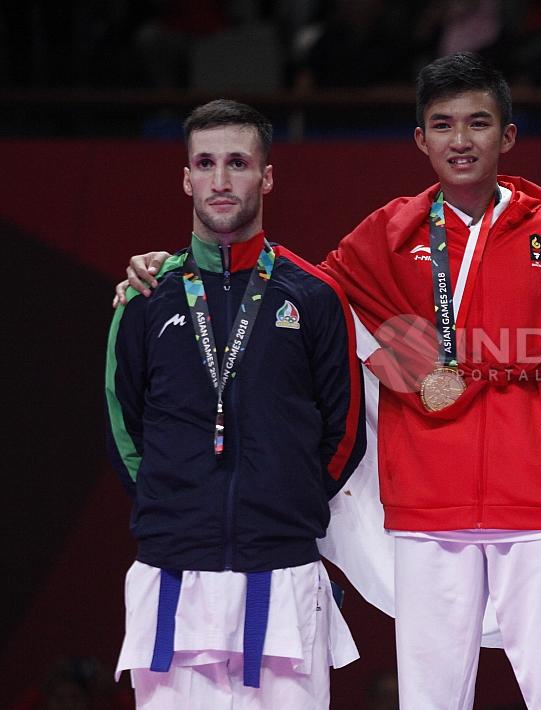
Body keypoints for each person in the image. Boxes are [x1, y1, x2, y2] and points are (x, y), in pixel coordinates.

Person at [116, 53, 541, 709]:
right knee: (429, 700)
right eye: (443, 125)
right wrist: (172, 263)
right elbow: (305, 298)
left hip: (540, 497)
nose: (461, 140)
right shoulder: (387, 233)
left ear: (507, 137)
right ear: (421, 140)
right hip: (426, 506)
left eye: (478, 123)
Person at [104, 99, 365, 708]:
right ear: (186, 177)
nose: (221, 181)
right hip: (175, 569)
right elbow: (123, 427)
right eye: (206, 163)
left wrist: (286, 499)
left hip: (283, 567)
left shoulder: (316, 296)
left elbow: (345, 427)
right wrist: (173, 501)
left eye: (239, 163)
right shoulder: (144, 299)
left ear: (266, 176)